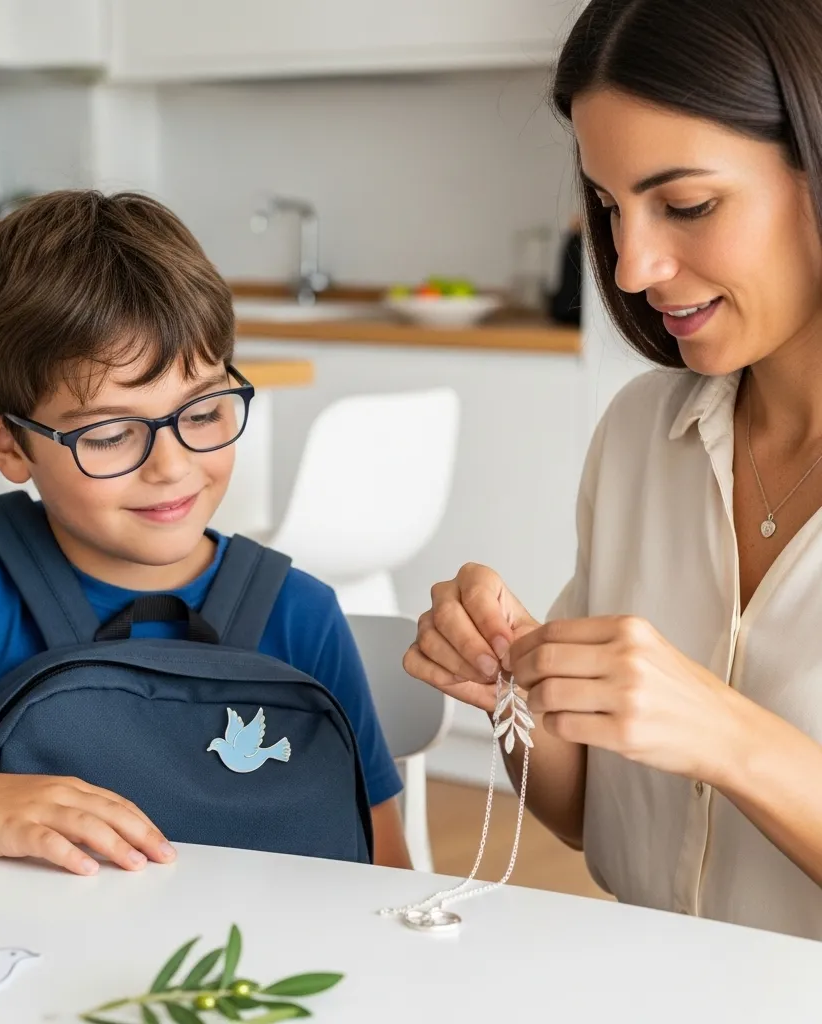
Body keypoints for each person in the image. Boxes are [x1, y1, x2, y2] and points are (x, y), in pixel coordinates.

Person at [0, 190, 410, 874]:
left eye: (204, 412)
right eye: (112, 433)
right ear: (5, 443)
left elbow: (382, 874)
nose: (172, 468)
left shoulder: (301, 613)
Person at [406, 0, 822, 941]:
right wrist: (512, 682)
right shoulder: (643, 433)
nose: (631, 267)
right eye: (607, 206)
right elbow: (595, 817)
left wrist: (729, 737)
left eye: (686, 206)